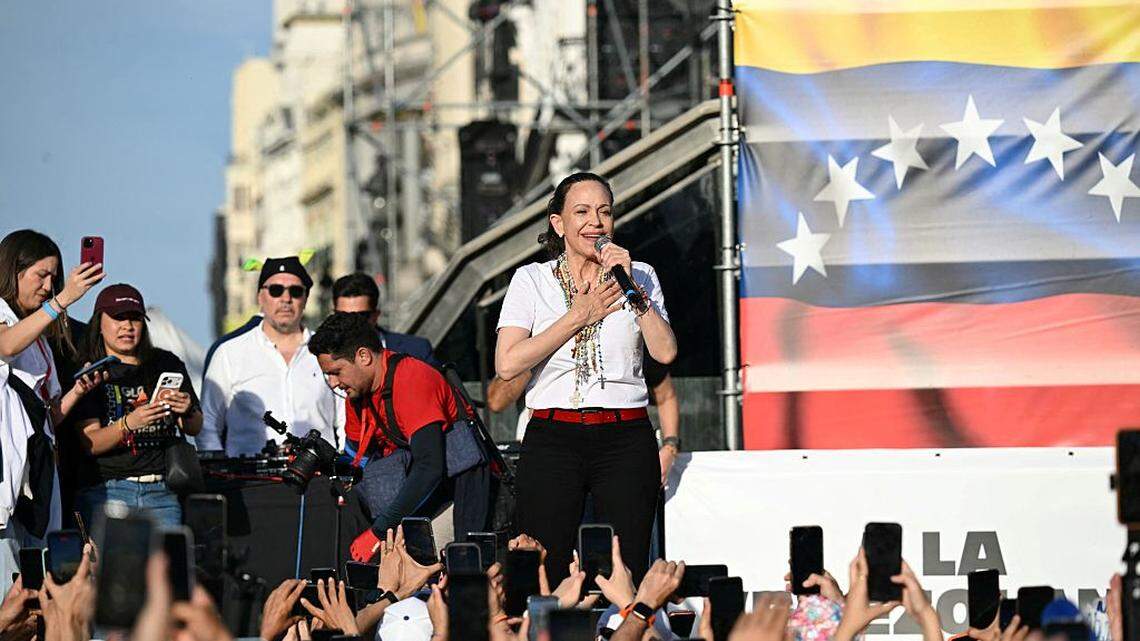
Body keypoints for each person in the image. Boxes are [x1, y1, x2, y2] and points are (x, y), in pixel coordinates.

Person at [494, 171, 677, 586]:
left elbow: (665, 351)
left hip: (625, 436)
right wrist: (580, 315)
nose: (595, 221)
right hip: (553, 436)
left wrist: (633, 291)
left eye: (604, 211)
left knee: (623, 565)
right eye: (582, 211)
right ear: (558, 224)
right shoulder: (532, 280)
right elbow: (507, 364)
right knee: (545, 563)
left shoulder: (641, 275)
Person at [308, 312, 487, 563]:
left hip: (456, 491)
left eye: (336, 372)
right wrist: (324, 462)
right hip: (415, 497)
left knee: (447, 576)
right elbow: (359, 463)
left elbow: (429, 467)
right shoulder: (357, 393)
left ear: (363, 356)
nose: (334, 383)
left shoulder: (411, 378)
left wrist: (378, 532)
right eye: (328, 375)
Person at [0, 229, 105, 593]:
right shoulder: (5, 315)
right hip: (6, 488)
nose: (48, 285)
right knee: (9, 594)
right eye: (40, 275)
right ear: (14, 271)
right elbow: (6, 344)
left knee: (37, 593)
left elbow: (50, 416)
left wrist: (79, 389)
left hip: (39, 478)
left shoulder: (42, 339)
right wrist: (62, 300)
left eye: (54, 277)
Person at [71, 283, 201, 527]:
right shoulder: (93, 372)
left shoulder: (166, 362)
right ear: (99, 323)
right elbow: (91, 443)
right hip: (108, 491)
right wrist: (130, 423)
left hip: (162, 490)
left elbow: (195, 426)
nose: (127, 326)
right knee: (115, 565)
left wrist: (186, 409)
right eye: (118, 318)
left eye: (135, 318)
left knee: (167, 564)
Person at [199, 256, 343, 456]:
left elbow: (345, 420)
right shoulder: (229, 353)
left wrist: (343, 471)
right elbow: (208, 421)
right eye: (275, 290)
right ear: (260, 297)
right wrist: (219, 471)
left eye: (295, 291)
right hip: (249, 479)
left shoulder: (330, 351)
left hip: (318, 478)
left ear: (306, 298)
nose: (286, 299)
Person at [331, 272, 438, 366]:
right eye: (343, 316)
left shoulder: (416, 350)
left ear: (375, 316)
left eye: (360, 316)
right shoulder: (319, 357)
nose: (351, 323)